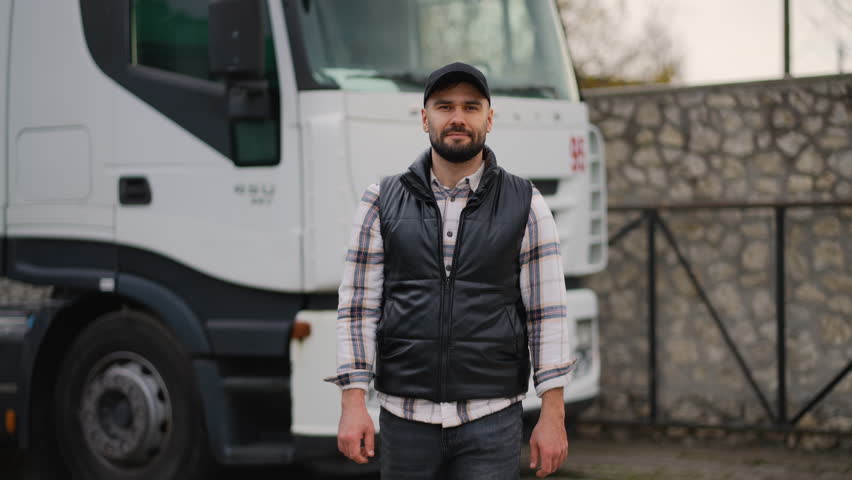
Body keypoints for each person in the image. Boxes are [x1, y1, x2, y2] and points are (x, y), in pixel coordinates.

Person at [325, 62, 576, 479]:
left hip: (491, 419)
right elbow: (358, 308)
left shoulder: (526, 203)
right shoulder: (380, 201)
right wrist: (353, 402)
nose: (457, 117)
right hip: (405, 419)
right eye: (445, 106)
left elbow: (547, 313)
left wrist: (553, 415)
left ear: (489, 119)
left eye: (471, 107)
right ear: (425, 118)